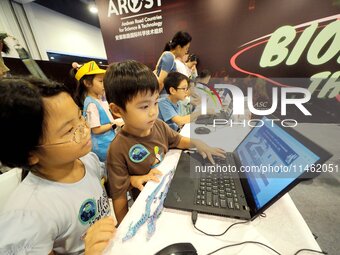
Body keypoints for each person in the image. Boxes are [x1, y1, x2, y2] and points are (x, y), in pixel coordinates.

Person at [0, 77, 116, 254]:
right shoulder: (28, 214)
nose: (84, 129)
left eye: (80, 117)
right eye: (69, 130)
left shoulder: (86, 160)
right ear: (31, 154)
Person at [103, 60, 225, 224]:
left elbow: (178, 140)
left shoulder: (159, 126)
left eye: (155, 103)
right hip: (151, 208)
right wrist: (124, 229)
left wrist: (197, 143)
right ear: (117, 110)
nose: (153, 112)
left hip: (174, 194)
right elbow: (119, 197)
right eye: (144, 107)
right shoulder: (117, 149)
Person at [73, 61, 122, 161]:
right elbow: (96, 129)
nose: (104, 85)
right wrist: (114, 124)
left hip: (109, 142)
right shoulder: (91, 104)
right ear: (87, 83)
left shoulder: (98, 100)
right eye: (100, 81)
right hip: (103, 147)